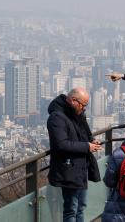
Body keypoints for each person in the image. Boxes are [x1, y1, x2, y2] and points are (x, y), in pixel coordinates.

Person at [47, 87, 102, 222]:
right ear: (73, 101)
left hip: (80, 167)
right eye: (83, 105)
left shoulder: (77, 114)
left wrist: (91, 140)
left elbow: (84, 133)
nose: (84, 108)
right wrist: (87, 146)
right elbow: (61, 144)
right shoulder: (57, 117)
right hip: (68, 169)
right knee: (71, 208)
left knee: (81, 207)